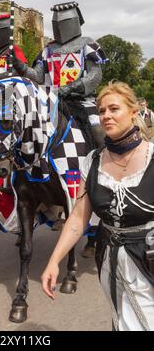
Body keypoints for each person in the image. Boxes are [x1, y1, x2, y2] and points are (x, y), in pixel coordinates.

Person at [41, 82, 154, 331]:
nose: (106, 116)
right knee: (122, 319)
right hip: (108, 258)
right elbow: (78, 217)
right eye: (101, 111)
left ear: (133, 112)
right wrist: (54, 261)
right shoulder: (92, 161)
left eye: (114, 109)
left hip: (148, 258)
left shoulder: (152, 156)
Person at [12, 1, 107, 147]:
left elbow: (95, 75)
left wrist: (72, 86)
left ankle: (101, 160)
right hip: (52, 102)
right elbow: (38, 76)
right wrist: (21, 67)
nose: (59, 26)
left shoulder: (86, 45)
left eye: (63, 22)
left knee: (97, 129)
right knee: (29, 127)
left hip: (81, 100)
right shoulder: (48, 50)